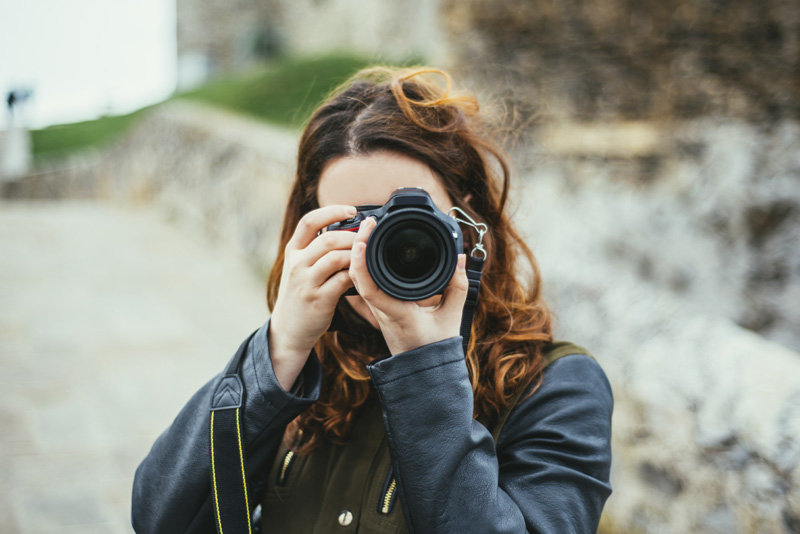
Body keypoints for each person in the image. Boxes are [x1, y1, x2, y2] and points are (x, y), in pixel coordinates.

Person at [131, 66, 613, 533]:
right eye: (354, 226)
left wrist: (426, 369)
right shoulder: (302, 375)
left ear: (469, 225)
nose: (376, 252)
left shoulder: (554, 386)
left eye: (412, 221)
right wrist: (279, 350)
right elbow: (159, 518)